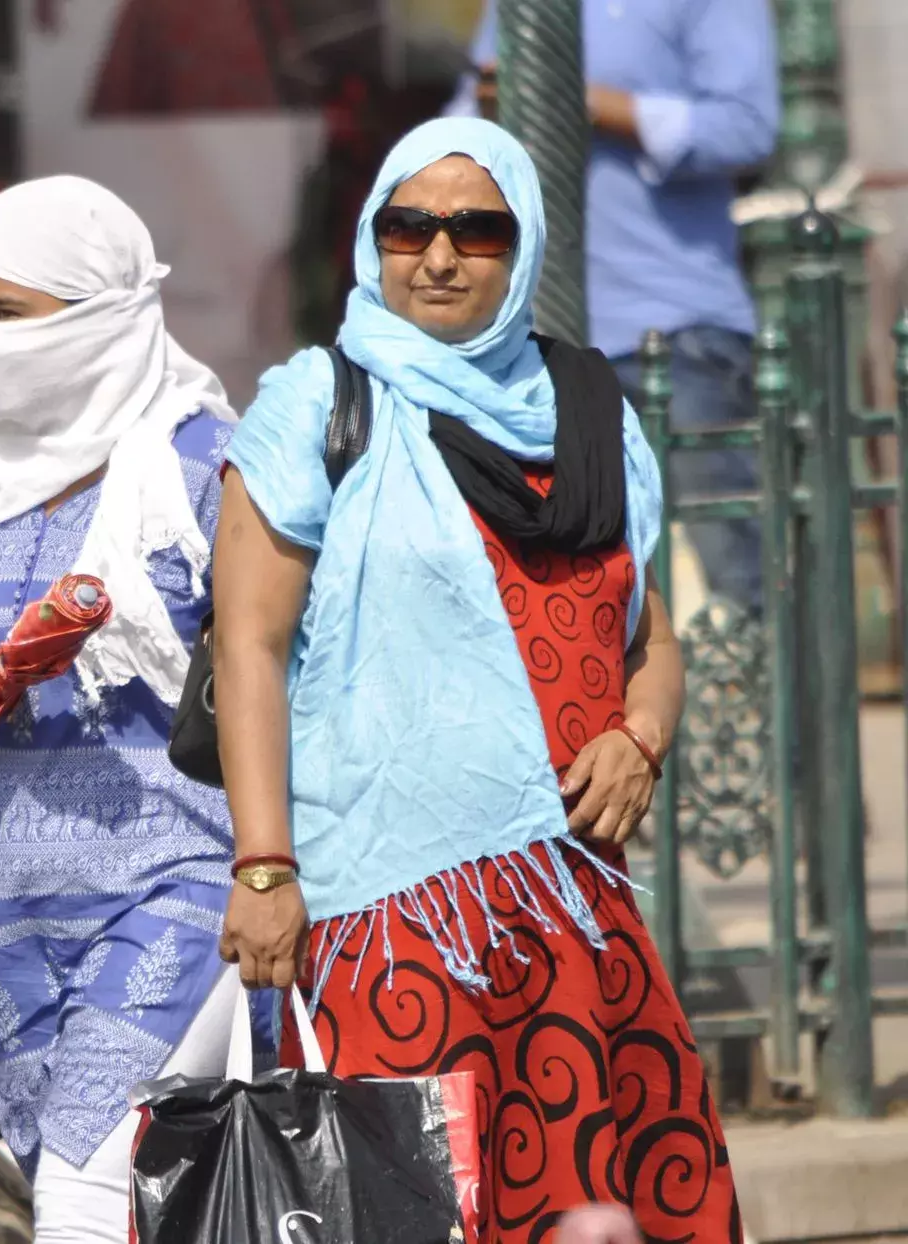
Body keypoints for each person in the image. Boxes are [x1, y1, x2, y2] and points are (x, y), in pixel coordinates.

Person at [213, 118, 742, 1242]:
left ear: (523, 245)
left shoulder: (592, 407)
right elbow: (245, 646)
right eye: (409, 226)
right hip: (389, 927)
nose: (439, 257)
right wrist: (263, 866)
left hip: (571, 923)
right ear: (371, 237)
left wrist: (641, 731)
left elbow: (652, 636)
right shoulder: (320, 404)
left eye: (476, 229)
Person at [0, 175, 245, 1244]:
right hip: (5, 915)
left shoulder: (200, 465)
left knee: (82, 1201)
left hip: (171, 888)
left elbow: (272, 660)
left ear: (101, 311)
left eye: (13, 313)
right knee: (102, 1198)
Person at [448, 0, 779, 614]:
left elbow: (749, 126)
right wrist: (496, 110)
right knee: (559, 586)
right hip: (533, 344)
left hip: (677, 335)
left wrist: (602, 107)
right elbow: (453, 135)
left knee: (734, 590)